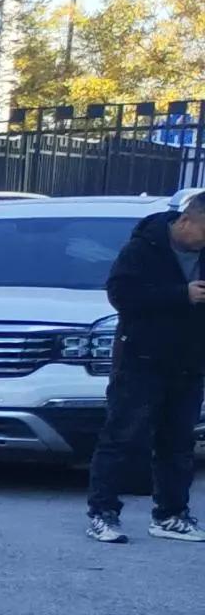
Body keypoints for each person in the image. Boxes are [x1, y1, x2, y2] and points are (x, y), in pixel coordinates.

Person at [88, 186, 205, 544]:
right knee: (122, 437)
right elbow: (121, 295)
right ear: (186, 221)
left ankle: (170, 515)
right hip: (141, 359)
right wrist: (181, 295)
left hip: (189, 362)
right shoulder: (143, 248)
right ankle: (102, 514)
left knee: (178, 443)